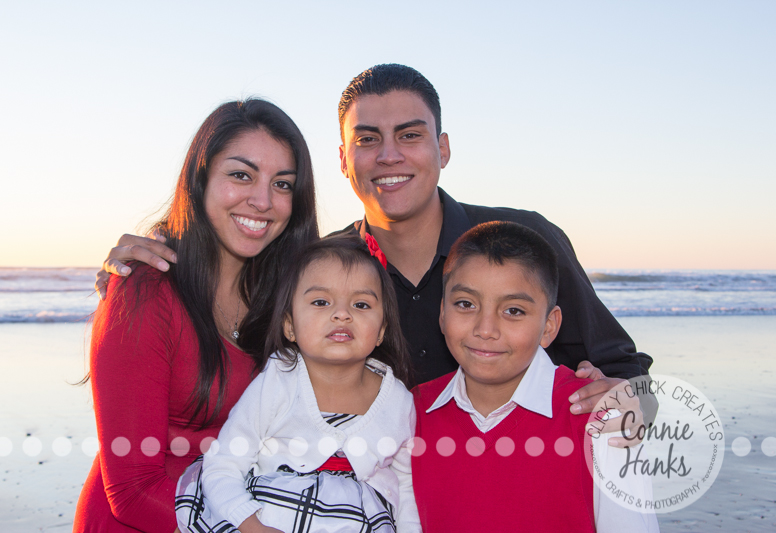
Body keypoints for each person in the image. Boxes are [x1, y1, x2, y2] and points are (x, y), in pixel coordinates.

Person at [95, 63, 649, 424]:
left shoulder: (523, 242)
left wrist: (625, 402)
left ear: (444, 148)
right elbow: (241, 343)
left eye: (410, 135)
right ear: (342, 160)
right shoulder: (318, 268)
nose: (389, 156)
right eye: (367, 139)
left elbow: (628, 375)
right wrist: (135, 275)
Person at [73, 99, 319, 532]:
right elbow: (130, 491)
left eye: (283, 184)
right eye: (241, 175)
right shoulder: (146, 290)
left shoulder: (288, 294)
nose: (262, 200)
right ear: (200, 179)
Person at [412, 221, 659, 532]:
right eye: (465, 304)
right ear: (442, 314)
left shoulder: (602, 420)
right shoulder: (412, 411)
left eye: (513, 311)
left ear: (549, 327)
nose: (485, 329)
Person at [174, 235, 420, 533]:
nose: (342, 313)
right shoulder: (279, 381)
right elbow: (224, 462)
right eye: (320, 301)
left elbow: (406, 490)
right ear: (289, 325)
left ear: (381, 331)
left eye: (361, 304)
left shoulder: (397, 400)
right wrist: (251, 525)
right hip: (270, 517)